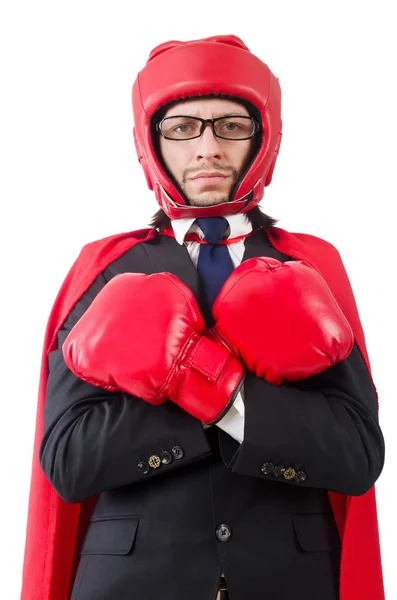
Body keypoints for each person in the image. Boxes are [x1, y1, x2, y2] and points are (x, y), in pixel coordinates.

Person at [20, 34, 385, 600]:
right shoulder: (104, 270)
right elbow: (67, 462)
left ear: (263, 139)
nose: (208, 147)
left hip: (288, 582)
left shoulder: (310, 265)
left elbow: (359, 456)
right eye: (184, 127)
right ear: (153, 142)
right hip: (132, 585)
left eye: (231, 126)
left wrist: (221, 391)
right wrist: (206, 387)